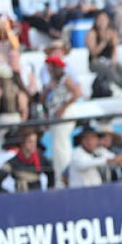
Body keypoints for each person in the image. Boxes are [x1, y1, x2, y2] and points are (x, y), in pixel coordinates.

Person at [43, 55, 82, 188]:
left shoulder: (66, 78)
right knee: (58, 147)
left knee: (61, 146)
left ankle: (64, 177)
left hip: (64, 114)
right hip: (55, 116)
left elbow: (76, 93)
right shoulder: (53, 81)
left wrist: (63, 107)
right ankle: (60, 176)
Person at [0, 127, 55, 192]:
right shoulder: (12, 162)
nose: (33, 145)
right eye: (30, 141)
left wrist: (48, 193)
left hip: (37, 198)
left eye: (35, 142)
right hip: (20, 199)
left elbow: (51, 175)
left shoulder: (41, 159)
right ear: (22, 143)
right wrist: (8, 195)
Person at [85, 10, 122, 94]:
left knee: (121, 68)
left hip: (108, 60)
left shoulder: (112, 32)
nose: (103, 22)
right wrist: (103, 42)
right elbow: (93, 53)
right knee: (108, 70)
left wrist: (114, 61)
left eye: (104, 19)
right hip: (95, 61)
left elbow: (115, 49)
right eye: (100, 19)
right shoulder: (92, 34)